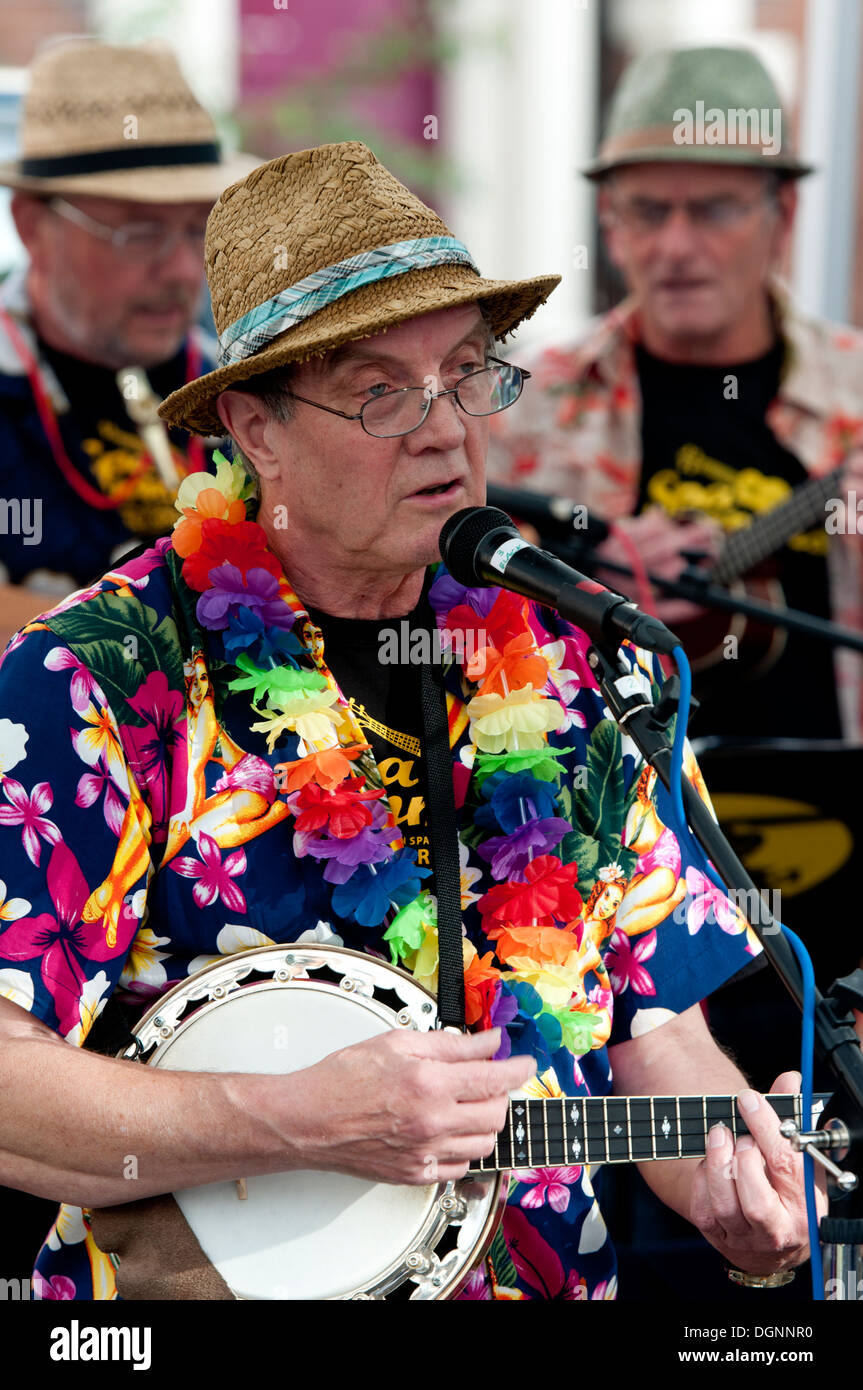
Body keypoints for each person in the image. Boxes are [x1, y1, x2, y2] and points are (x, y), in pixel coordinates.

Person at [0, 142, 819, 1302]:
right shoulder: (101, 680)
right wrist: (283, 1119)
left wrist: (737, 1196)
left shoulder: (574, 667)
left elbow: (650, 1024)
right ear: (256, 428)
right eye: (380, 389)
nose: (443, 428)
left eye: (467, 372)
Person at [488, 45, 863, 742]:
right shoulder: (520, 401)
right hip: (602, 830)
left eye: (715, 210)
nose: (675, 246)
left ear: (781, 213)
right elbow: (450, 621)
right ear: (609, 221)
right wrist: (575, 577)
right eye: (647, 211)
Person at [0, 38, 257, 641]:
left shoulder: (247, 387)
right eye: (140, 233)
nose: (182, 271)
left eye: (199, 229)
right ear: (32, 224)